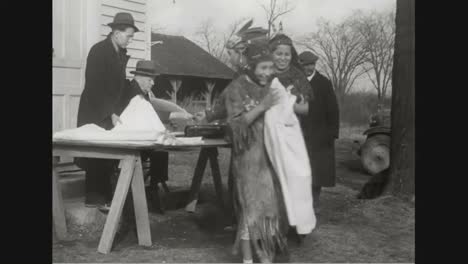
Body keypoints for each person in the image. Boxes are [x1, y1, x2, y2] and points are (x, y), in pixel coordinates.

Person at [224, 42, 287, 263]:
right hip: (248, 161)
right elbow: (235, 125)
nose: (268, 73)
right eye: (263, 68)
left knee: (268, 210)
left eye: (270, 68)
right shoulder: (236, 88)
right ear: (251, 66)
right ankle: (249, 260)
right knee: (250, 210)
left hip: (269, 158)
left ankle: (266, 257)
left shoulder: (270, 86)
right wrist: (263, 106)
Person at [76, 12, 139, 209]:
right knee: (95, 152)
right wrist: (109, 112)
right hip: (95, 109)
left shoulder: (119, 54)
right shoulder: (99, 51)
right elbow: (94, 86)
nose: (130, 40)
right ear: (116, 32)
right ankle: (94, 199)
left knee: (106, 154)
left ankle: (104, 197)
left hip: (109, 110)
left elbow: (118, 86)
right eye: (128, 35)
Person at [298, 51, 340, 213]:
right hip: (299, 133)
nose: (308, 68)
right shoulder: (295, 82)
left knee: (317, 172)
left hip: (319, 135)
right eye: (305, 65)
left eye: (311, 65)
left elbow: (333, 109)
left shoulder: (323, 83)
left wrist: (331, 134)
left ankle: (314, 204)